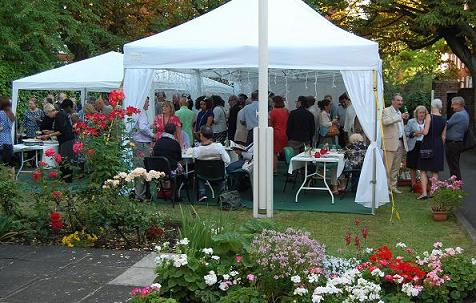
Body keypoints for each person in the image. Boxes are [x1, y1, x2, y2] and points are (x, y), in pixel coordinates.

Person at [417, 99, 447, 200]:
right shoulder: (444, 119)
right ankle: (433, 192)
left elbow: (425, 132)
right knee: (435, 170)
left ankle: (424, 193)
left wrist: (419, 132)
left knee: (423, 170)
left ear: (432, 106)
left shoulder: (429, 116)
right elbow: (443, 137)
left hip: (428, 144)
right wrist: (439, 146)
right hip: (438, 145)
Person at [192, 126, 230, 202]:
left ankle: (202, 193)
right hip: (218, 173)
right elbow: (227, 160)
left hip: (202, 174)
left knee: (199, 173)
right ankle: (223, 193)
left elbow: (194, 161)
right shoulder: (219, 147)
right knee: (223, 173)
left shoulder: (197, 150)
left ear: (201, 135)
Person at [41, 102, 75, 183]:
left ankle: (67, 179)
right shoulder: (59, 115)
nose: (48, 116)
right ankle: (64, 178)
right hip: (66, 140)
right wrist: (49, 132)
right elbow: (59, 129)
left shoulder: (60, 116)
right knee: (64, 160)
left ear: (50, 111)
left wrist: (48, 135)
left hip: (67, 140)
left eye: (47, 113)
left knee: (65, 160)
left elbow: (61, 131)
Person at [382, 93, 409, 194]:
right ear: (392, 101)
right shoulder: (386, 110)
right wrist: (400, 117)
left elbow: (399, 128)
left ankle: (393, 186)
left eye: (401, 101)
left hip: (400, 142)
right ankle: (386, 188)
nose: (400, 102)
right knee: (388, 167)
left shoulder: (399, 112)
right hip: (389, 143)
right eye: (398, 100)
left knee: (396, 167)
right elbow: (385, 122)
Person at [131, 98, 156, 200]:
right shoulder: (141, 111)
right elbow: (142, 127)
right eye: (147, 102)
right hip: (142, 143)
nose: (149, 104)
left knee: (139, 168)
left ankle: (140, 193)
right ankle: (140, 195)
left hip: (138, 142)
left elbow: (142, 126)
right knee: (141, 169)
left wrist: (149, 126)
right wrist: (152, 135)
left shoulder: (138, 112)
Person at [445, 96, 470, 180]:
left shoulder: (458, 114)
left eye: (453, 105)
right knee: (454, 166)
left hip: (453, 144)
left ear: (458, 104)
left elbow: (446, 125)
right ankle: (455, 186)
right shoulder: (465, 113)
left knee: (453, 167)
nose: (451, 107)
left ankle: (456, 187)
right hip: (457, 143)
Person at [404, 106, 428, 192]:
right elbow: (406, 133)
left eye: (423, 112)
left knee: (423, 166)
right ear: (416, 113)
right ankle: (413, 185)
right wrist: (414, 134)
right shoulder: (411, 121)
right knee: (412, 166)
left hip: (424, 145)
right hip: (413, 145)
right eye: (420, 112)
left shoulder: (428, 122)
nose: (421, 114)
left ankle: (423, 185)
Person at [269, 95, 289, 173]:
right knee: (287, 152)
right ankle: (289, 169)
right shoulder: (286, 111)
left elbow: (270, 124)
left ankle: (274, 169)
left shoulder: (273, 112)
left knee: (274, 153)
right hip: (285, 133)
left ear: (274, 102)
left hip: (276, 134)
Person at [0, 96, 15, 166]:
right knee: (10, 165)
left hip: (2, 142)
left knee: (3, 166)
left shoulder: (1, 113)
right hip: (8, 141)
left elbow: (1, 128)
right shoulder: (11, 114)